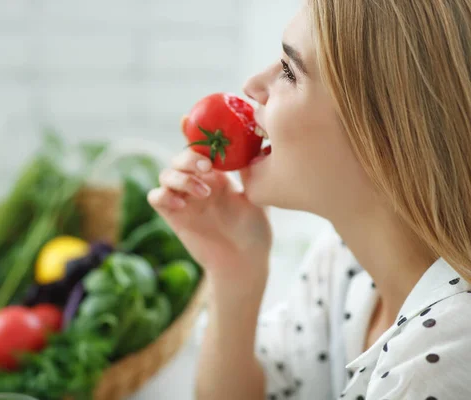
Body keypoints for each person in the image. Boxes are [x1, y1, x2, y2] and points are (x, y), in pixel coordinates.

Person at [147, 1, 471, 399]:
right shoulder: (343, 264)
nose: (252, 85)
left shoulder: (442, 360)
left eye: (288, 71)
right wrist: (233, 272)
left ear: (382, 133)